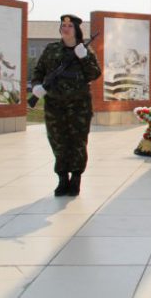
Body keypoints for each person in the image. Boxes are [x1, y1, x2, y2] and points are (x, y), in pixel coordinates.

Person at [31, 14, 101, 197]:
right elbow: (39, 71)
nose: (66, 28)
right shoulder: (51, 49)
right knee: (57, 141)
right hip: (54, 105)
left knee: (78, 142)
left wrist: (84, 58)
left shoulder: (84, 50)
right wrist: (37, 86)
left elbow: (94, 74)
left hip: (79, 105)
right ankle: (62, 179)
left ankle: (76, 178)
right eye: (63, 25)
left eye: (70, 26)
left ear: (76, 29)